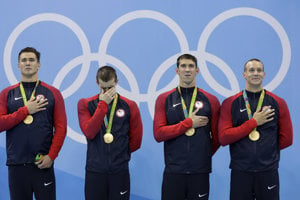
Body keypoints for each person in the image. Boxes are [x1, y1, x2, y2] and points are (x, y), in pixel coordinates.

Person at [218, 58, 293, 200]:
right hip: (240, 171)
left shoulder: (278, 102)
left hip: (268, 170)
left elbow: (287, 139)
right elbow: (224, 137)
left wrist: (266, 150)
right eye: (251, 70)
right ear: (244, 75)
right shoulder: (230, 103)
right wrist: (253, 122)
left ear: (264, 74)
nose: (255, 73)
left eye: (259, 70)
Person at [0, 47, 67, 200]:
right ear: (18, 65)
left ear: (39, 65)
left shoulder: (53, 92)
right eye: (24, 60)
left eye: (31, 60)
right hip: (17, 165)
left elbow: (61, 128)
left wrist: (51, 156)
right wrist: (25, 110)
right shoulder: (7, 93)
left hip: (42, 163)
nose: (27, 63)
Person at [153, 54, 220, 200]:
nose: (187, 69)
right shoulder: (164, 99)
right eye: (183, 66)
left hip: (199, 171)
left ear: (197, 71)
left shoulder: (211, 100)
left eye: (191, 66)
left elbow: (217, 138)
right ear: (177, 70)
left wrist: (201, 154)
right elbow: (159, 134)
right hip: (174, 171)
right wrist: (188, 124)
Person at [77, 65, 143, 200]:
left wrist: (119, 155)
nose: (107, 92)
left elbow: (136, 140)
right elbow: (89, 132)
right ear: (97, 83)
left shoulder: (130, 105)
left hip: (119, 171)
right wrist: (103, 105)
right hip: (95, 171)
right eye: (103, 88)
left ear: (117, 82)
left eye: (110, 88)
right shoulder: (85, 104)